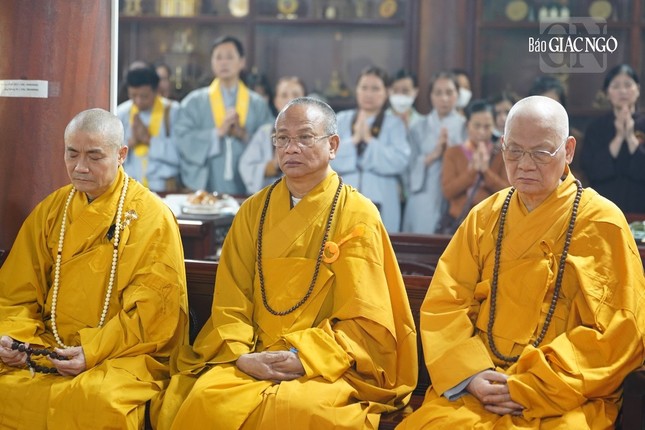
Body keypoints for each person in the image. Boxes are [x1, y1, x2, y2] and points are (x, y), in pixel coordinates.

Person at [156, 97, 417, 430]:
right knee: (207, 399)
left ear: (333, 145)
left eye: (305, 137)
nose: (291, 148)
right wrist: (241, 355)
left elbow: (364, 319)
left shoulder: (357, 214)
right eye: (282, 138)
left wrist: (303, 357)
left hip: (326, 364)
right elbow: (231, 303)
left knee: (298, 410)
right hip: (253, 355)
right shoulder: (253, 211)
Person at [397, 96, 645, 429]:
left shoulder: (601, 222)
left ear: (568, 150)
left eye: (540, 152)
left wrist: (533, 386)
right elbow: (445, 304)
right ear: (501, 145)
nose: (525, 165)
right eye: (513, 151)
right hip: (480, 387)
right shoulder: (484, 217)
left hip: (562, 395)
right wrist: (471, 375)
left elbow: (617, 331)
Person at [0, 108, 189, 429]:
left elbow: (155, 315)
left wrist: (92, 351)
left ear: (121, 155)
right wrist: (14, 338)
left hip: (120, 354)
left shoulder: (151, 217)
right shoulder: (52, 211)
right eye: (72, 154)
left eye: (95, 156)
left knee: (98, 401)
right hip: (45, 345)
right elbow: (15, 292)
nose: (80, 167)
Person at [174, 35, 273, 195]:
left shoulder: (257, 104)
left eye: (229, 57)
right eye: (218, 57)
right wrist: (217, 133)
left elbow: (271, 142)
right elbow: (181, 137)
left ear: (242, 62)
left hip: (246, 185)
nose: (224, 62)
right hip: (208, 182)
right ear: (212, 62)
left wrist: (244, 135)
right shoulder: (194, 101)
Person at [333, 66, 411, 232]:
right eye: (364, 88)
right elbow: (327, 157)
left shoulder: (394, 124)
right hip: (344, 198)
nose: (369, 94)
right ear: (357, 90)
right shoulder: (340, 120)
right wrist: (354, 140)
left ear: (386, 92)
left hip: (383, 197)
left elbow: (400, 161)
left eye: (375, 89)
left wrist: (369, 140)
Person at [402, 71, 465, 234]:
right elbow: (408, 168)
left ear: (458, 95)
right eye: (438, 93)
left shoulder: (466, 127)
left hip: (457, 195)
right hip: (425, 193)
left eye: (449, 92)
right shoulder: (418, 127)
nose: (444, 98)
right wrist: (432, 155)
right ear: (430, 96)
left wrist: (452, 155)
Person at [438, 100, 509, 235]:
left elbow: (508, 191)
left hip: (491, 224)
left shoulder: (501, 155)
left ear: (494, 126)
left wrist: (485, 172)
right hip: (459, 223)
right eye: (477, 126)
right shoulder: (453, 153)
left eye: (487, 126)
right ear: (467, 125)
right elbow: (448, 191)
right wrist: (472, 172)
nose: (481, 132)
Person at [581, 64, 645, 213]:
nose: (623, 91)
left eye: (628, 85)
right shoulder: (595, 127)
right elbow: (592, 170)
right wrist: (619, 137)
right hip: (603, 206)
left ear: (638, 90)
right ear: (607, 93)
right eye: (616, 86)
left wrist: (630, 137)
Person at [117, 64, 181, 192]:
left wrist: (149, 139)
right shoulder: (122, 112)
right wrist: (131, 142)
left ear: (156, 90)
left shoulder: (172, 111)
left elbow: (182, 154)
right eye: (133, 96)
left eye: (144, 96)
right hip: (130, 188)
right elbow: (112, 155)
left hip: (163, 187)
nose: (138, 101)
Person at [239, 76, 307, 195]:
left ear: (306, 101)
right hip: (271, 197)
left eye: (296, 94)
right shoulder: (265, 132)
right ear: (276, 102)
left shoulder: (315, 133)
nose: (290, 100)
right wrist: (273, 166)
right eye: (284, 95)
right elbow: (246, 166)